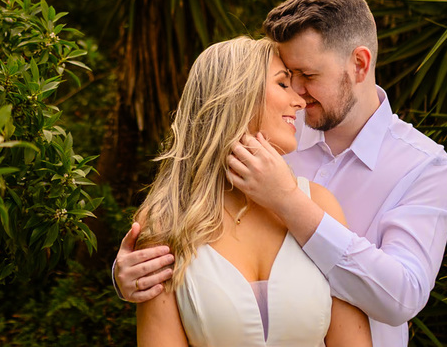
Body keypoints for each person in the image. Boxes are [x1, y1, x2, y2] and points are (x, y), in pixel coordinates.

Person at [118, 0, 447, 347]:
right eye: (286, 78)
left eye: (307, 76)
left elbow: (403, 296)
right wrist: (133, 274)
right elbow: (190, 215)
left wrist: (288, 201)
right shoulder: (281, 133)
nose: (296, 94)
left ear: (359, 64)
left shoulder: (422, 165)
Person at [134, 35, 372, 346]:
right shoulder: (166, 222)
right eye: (283, 84)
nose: (300, 101)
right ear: (238, 95)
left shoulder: (321, 206)